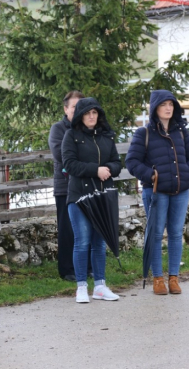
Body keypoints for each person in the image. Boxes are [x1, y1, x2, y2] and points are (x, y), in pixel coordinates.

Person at [126, 90, 189, 295]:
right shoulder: (143, 133)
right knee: (154, 234)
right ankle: (158, 279)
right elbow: (132, 162)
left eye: (171, 104)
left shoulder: (181, 132)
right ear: (155, 109)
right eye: (164, 105)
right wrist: (151, 175)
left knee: (175, 234)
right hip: (156, 192)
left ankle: (173, 277)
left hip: (181, 191)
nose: (168, 108)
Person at [62, 97, 121, 303]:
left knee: (99, 241)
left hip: (102, 196)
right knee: (82, 241)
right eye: (87, 113)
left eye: (94, 112)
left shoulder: (107, 136)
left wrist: (109, 170)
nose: (91, 116)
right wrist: (96, 170)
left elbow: (116, 163)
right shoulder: (71, 135)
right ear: (80, 115)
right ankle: (80, 287)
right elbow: (70, 165)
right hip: (79, 197)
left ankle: (100, 286)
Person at [48, 91, 85, 281]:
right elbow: (60, 154)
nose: (77, 111)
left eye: (80, 107)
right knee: (67, 229)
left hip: (87, 186)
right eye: (73, 107)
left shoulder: (89, 127)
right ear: (66, 109)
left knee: (88, 227)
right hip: (65, 187)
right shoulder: (58, 129)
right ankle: (67, 269)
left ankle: (87, 267)